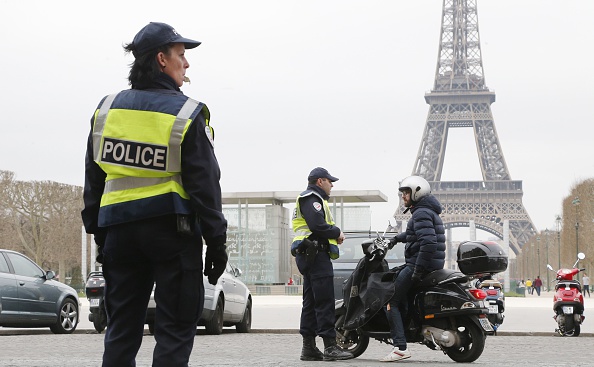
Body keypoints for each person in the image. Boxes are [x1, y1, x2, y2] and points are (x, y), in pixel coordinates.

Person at [81, 22, 228, 367]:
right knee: (175, 329)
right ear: (162, 59)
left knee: (120, 330)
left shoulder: (107, 109)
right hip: (172, 235)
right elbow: (205, 185)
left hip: (119, 234)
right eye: (181, 55)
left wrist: (99, 232)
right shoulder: (186, 113)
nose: (187, 64)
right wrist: (216, 241)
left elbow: (94, 178)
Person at [291, 167, 353, 361]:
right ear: (320, 181)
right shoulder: (312, 198)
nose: (332, 185)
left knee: (310, 302)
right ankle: (330, 346)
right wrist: (336, 232)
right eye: (329, 181)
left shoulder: (309, 198)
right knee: (325, 300)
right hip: (316, 254)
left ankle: (308, 348)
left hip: (309, 254)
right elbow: (317, 226)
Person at [381, 175, 446, 362]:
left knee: (391, 301)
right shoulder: (426, 211)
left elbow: (428, 243)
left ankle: (400, 347)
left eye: (406, 193)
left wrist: (417, 269)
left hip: (421, 264)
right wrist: (395, 239)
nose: (403, 197)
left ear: (417, 193)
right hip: (431, 264)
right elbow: (414, 234)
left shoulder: (421, 213)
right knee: (403, 298)